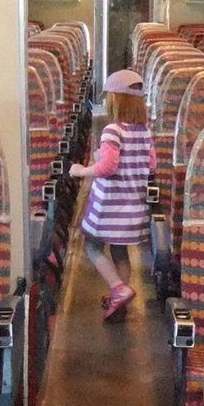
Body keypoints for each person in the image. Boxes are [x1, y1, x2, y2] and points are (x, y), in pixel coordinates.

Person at [69, 69, 157, 319]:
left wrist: (81, 170)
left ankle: (118, 288)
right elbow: (151, 166)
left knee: (93, 247)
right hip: (133, 206)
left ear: (116, 100)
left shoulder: (112, 131)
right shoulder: (144, 132)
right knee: (120, 252)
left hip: (109, 206)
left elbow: (108, 167)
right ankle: (121, 302)